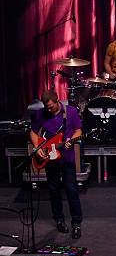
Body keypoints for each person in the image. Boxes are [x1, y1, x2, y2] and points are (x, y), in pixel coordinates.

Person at [29, 89, 83, 239]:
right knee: (53, 191)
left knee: (71, 190)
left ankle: (76, 223)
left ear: (57, 100)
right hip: (49, 158)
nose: (49, 110)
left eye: (51, 107)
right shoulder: (41, 113)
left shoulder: (70, 112)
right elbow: (33, 132)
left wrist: (70, 140)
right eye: (46, 107)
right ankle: (59, 220)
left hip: (67, 158)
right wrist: (37, 147)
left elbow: (78, 131)